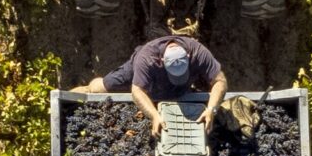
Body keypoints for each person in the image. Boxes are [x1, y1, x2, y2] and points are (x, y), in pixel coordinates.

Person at [80, 34, 227, 135]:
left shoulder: (198, 52)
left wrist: (211, 109)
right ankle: (75, 93)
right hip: (140, 73)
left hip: (179, 88)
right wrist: (154, 115)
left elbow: (220, 81)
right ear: (162, 61)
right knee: (98, 88)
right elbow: (137, 91)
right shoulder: (147, 59)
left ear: (188, 57)